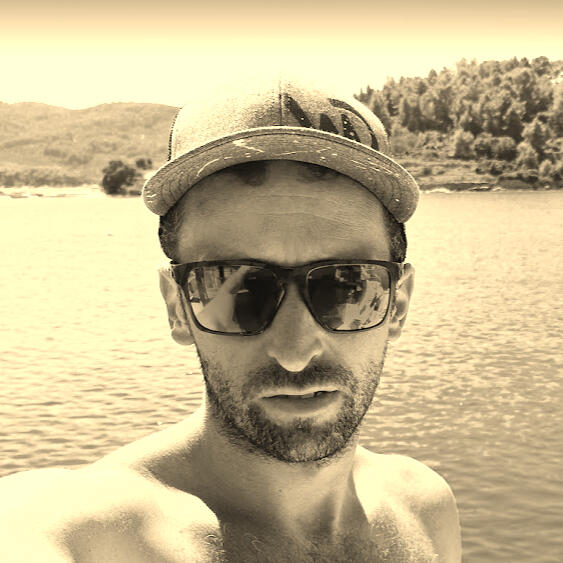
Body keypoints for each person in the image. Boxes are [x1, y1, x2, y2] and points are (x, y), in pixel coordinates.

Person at [0, 74, 462, 562]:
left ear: (398, 303)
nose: (295, 350)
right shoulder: (82, 533)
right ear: (178, 307)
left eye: (346, 287)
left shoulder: (424, 509)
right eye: (238, 290)